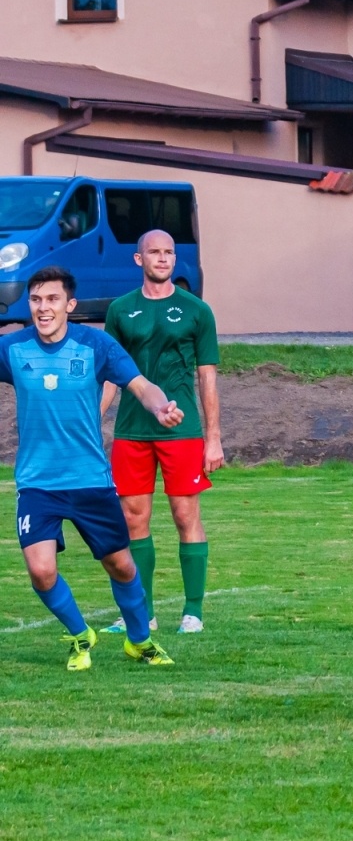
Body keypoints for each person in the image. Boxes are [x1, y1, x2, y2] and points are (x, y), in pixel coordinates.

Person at [4, 267, 182, 671]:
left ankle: (140, 641)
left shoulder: (96, 346)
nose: (43, 308)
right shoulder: (13, 349)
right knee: (41, 571)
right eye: (35, 300)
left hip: (89, 480)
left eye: (51, 300)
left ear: (69, 305)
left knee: (120, 564)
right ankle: (81, 634)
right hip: (37, 484)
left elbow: (141, 386)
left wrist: (162, 406)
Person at [99, 230, 222, 636]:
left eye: (169, 252)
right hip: (132, 431)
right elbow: (111, 377)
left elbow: (207, 380)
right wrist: (91, 422)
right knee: (134, 519)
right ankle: (143, 613)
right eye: (154, 252)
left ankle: (193, 611)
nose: (163, 258)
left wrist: (214, 438)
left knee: (185, 515)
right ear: (139, 260)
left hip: (182, 433)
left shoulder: (197, 310)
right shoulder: (120, 310)